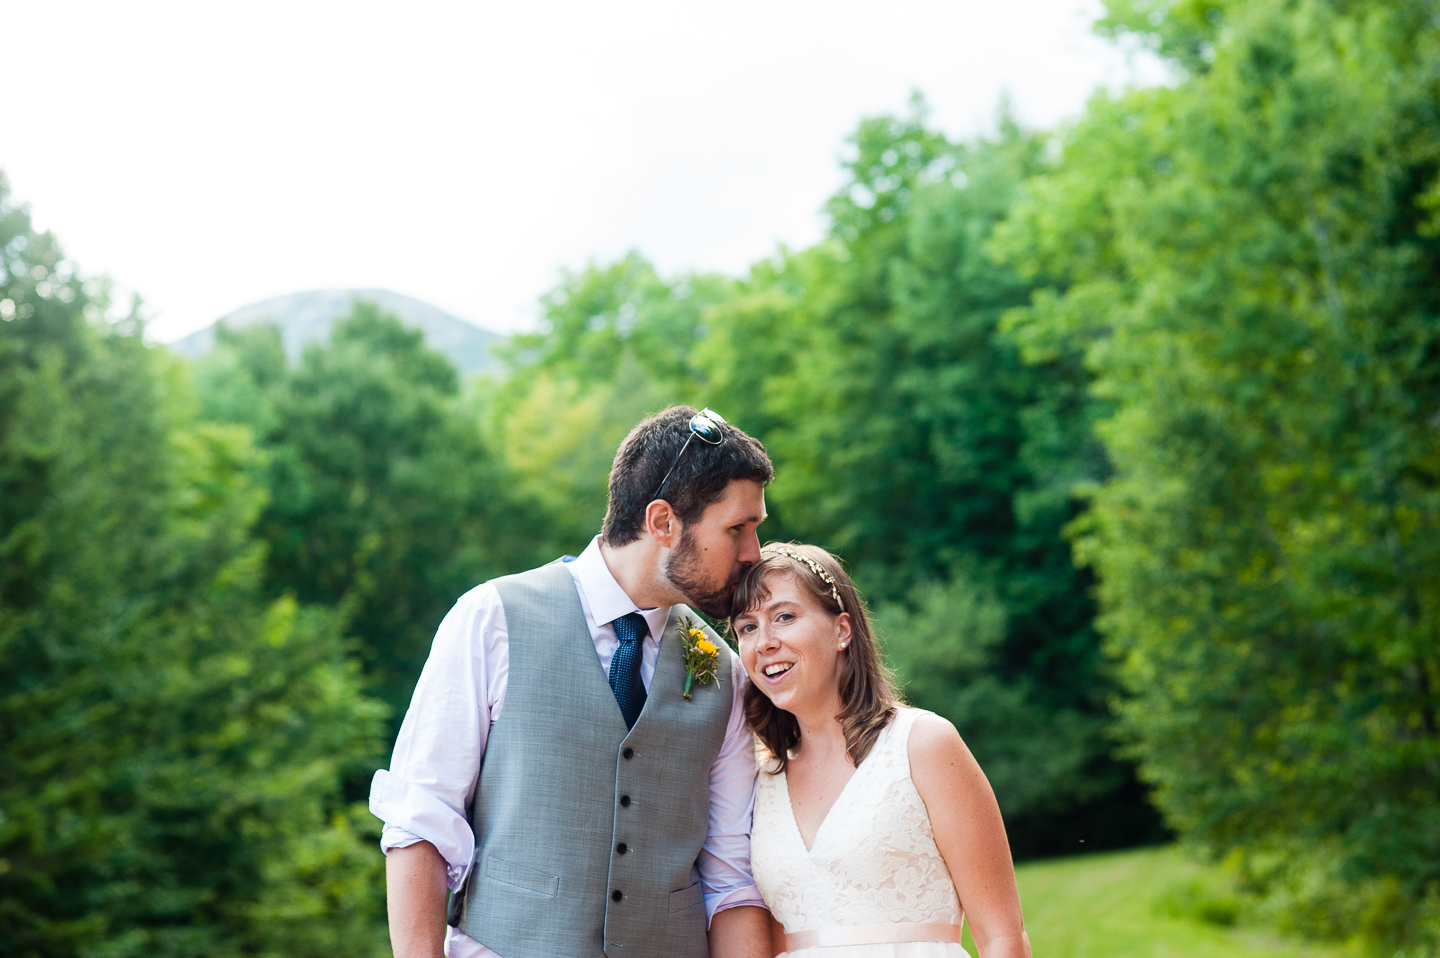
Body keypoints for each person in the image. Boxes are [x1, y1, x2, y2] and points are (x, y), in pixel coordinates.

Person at [371, 406, 775, 958]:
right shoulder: (491, 619)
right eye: (737, 529)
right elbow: (422, 821)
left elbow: (731, 882)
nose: (754, 553)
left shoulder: (723, 669)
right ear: (662, 523)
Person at [730, 544, 1031, 958]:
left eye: (784, 617)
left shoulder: (923, 744)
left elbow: (1002, 937)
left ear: (842, 630)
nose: (764, 642)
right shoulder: (758, 779)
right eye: (747, 627)